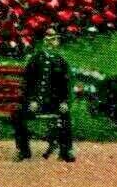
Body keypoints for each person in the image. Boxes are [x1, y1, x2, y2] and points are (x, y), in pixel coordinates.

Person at [12, 28, 74, 162]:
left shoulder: (61, 62)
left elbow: (65, 85)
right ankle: (24, 150)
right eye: (51, 40)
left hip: (53, 103)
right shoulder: (35, 60)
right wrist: (31, 100)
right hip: (35, 103)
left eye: (56, 40)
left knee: (65, 115)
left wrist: (64, 102)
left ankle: (65, 150)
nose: (54, 43)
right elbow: (27, 83)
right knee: (17, 115)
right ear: (45, 41)